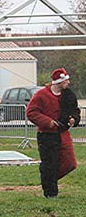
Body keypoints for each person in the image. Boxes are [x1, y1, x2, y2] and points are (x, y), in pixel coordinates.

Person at [26, 67, 80, 198]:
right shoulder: (41, 95)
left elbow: (75, 110)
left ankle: (48, 178)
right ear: (59, 82)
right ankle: (51, 193)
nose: (68, 83)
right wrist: (48, 122)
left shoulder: (69, 95)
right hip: (46, 135)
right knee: (50, 163)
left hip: (63, 133)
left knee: (70, 163)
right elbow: (31, 112)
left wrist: (74, 119)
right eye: (66, 80)